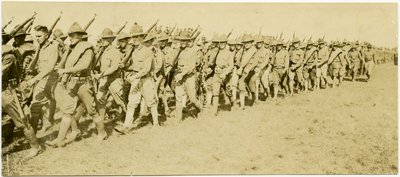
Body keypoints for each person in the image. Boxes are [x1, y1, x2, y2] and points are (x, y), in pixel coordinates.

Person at [49, 22, 106, 147]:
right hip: (72, 83)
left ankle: (102, 133)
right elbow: (66, 64)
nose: (71, 37)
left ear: (81, 36)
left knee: (92, 111)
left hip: (84, 84)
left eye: (74, 35)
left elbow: (84, 65)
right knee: (67, 111)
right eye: (70, 35)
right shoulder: (71, 49)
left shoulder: (87, 48)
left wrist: (65, 71)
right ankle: (60, 140)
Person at [115, 32, 160, 134]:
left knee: (151, 102)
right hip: (136, 79)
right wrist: (125, 67)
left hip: (146, 79)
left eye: (136, 36)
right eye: (133, 36)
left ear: (142, 38)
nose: (134, 38)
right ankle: (126, 127)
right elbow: (135, 67)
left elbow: (146, 69)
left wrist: (134, 77)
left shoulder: (147, 51)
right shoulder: (134, 51)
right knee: (132, 103)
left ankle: (156, 124)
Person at [2, 43, 41, 158]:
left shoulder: (8, 56)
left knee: (21, 122)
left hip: (8, 93)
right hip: (4, 91)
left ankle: (35, 147)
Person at [25, 25, 59, 134]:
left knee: (66, 108)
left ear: (47, 35)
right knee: (34, 106)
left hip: (54, 80)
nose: (37, 38)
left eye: (39, 36)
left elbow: (50, 67)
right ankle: (33, 135)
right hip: (42, 81)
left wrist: (34, 80)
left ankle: (74, 130)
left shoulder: (53, 47)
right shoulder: (40, 48)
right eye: (36, 36)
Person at [174, 30, 203, 121]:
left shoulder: (193, 51)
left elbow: (191, 66)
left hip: (189, 76)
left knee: (192, 98)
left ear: (188, 41)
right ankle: (178, 119)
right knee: (178, 97)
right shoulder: (179, 51)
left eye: (184, 41)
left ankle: (200, 109)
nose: (182, 43)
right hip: (180, 76)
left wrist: (182, 74)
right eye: (180, 41)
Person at [211, 34, 234, 116]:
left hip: (225, 74)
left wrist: (225, 73)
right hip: (217, 74)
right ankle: (214, 111)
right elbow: (212, 62)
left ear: (226, 43)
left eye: (223, 43)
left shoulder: (229, 53)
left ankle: (233, 104)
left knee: (228, 91)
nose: (221, 44)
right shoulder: (216, 52)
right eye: (220, 43)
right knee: (215, 92)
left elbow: (231, 66)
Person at [237, 34, 257, 109]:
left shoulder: (253, 50)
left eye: (248, 42)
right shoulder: (243, 50)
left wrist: (249, 68)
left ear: (251, 43)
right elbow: (239, 59)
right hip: (243, 70)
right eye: (245, 43)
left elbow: (255, 62)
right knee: (241, 84)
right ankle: (242, 105)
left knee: (250, 84)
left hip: (251, 71)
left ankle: (254, 97)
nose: (247, 44)